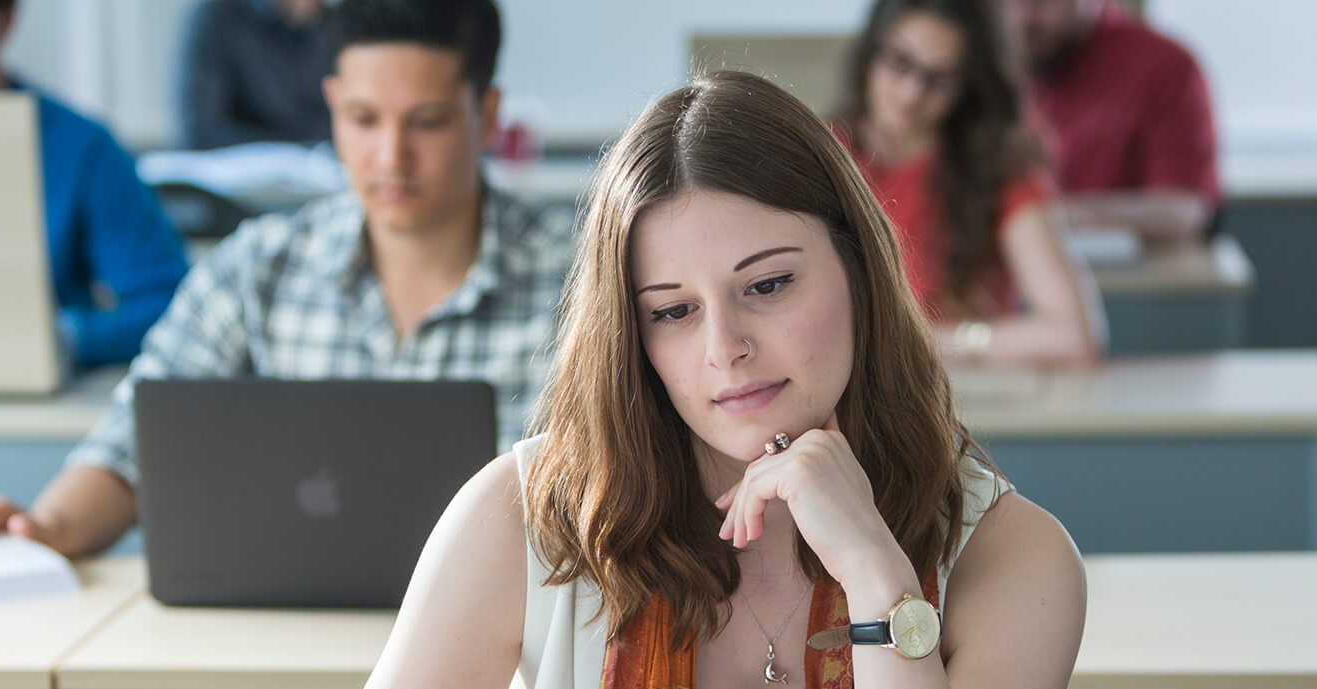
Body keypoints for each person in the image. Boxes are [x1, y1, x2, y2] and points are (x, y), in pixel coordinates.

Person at [366, 71, 1085, 688]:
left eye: (768, 285)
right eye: (673, 310)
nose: (724, 347)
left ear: (860, 271)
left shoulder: (1011, 554)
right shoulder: (522, 513)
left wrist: (876, 572)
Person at [0, 0, 573, 559]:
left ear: (485, 116)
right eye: (364, 119)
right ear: (333, 105)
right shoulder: (258, 267)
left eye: (426, 121)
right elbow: (132, 445)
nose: (390, 156)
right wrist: (46, 528)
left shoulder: (581, 286)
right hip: (279, 639)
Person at [0, 0, 190, 367]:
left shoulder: (81, 147)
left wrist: (68, 338)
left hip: (20, 402)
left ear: (5, 21)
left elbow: (171, 301)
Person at [834, 0, 1101, 364]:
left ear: (969, 85)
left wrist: (931, 342)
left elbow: (1074, 337)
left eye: (939, 79)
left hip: (950, 396)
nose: (912, 93)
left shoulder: (1001, 169)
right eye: (899, 63)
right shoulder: (818, 152)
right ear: (869, 52)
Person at [998, 0, 1221, 243]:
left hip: (1126, 273)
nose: (1023, 17)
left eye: (1043, 3)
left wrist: (1050, 218)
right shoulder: (983, 61)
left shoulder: (1164, 66)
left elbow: (1184, 209)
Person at [177, 0, 334, 149]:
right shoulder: (218, 18)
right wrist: (295, 146)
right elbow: (201, 131)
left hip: (322, 169)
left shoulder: (336, 24)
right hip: (239, 169)